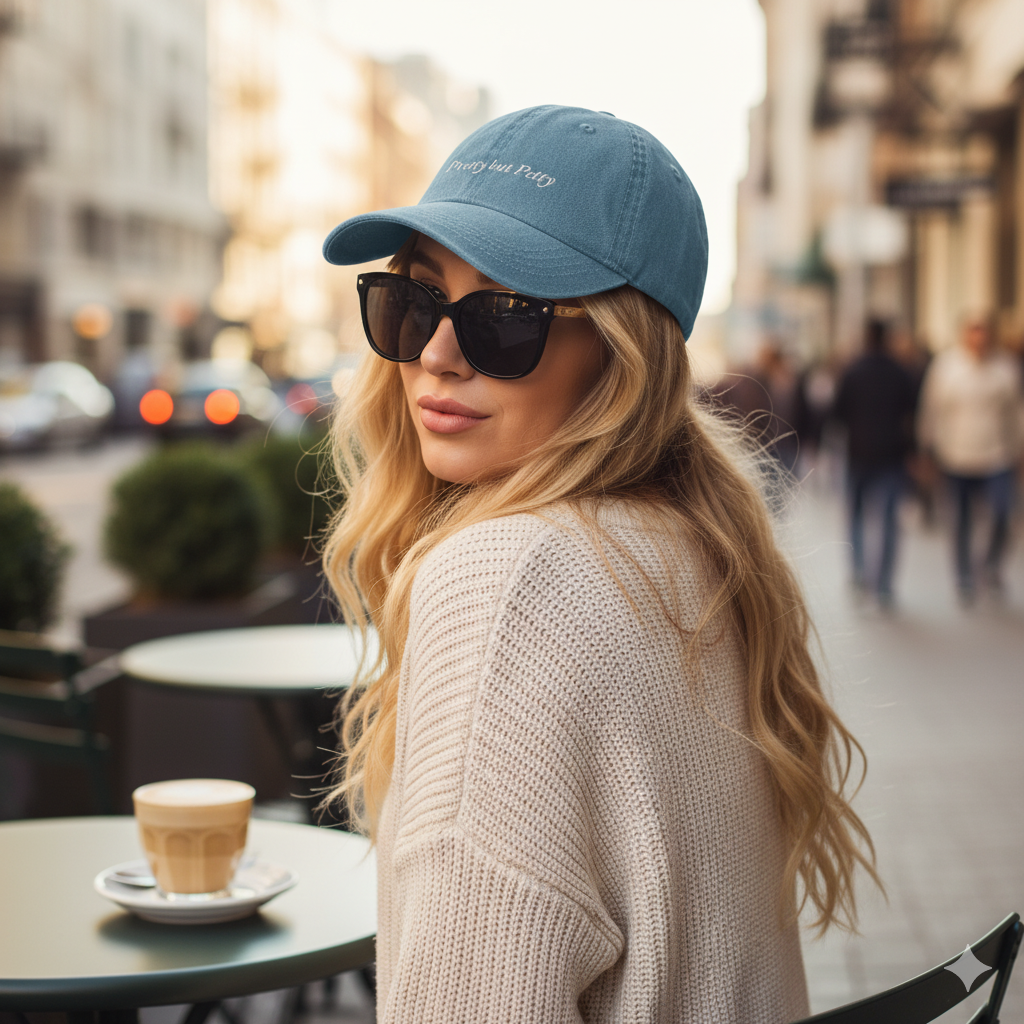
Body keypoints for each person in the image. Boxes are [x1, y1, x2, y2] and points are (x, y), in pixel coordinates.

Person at [319, 105, 879, 1023]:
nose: (435, 354)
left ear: (622, 356)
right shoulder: (691, 542)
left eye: (506, 318)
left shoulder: (508, 584)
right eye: (412, 302)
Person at [918, 318, 1024, 603]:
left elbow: (1017, 411)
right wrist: (926, 448)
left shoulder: (1005, 368)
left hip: (998, 454)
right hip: (956, 456)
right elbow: (930, 409)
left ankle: (991, 566)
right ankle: (964, 576)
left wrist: (1019, 449)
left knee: (1003, 513)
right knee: (960, 520)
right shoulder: (946, 367)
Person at [831, 319, 916, 607]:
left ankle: (858, 575)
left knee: (856, 517)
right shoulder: (900, 372)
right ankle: (883, 585)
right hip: (892, 456)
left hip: (859, 455)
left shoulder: (852, 371)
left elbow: (838, 414)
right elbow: (911, 415)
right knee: (889, 521)